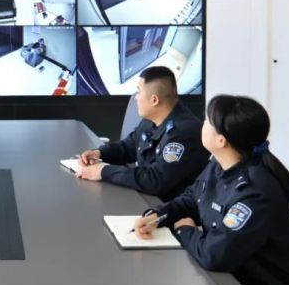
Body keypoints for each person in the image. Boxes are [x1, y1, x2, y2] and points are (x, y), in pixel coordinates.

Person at [133, 95, 289, 285]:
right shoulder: (219, 164)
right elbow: (192, 199)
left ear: (221, 140)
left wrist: (184, 230)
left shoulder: (255, 193)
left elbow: (214, 255)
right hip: (228, 280)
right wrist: (158, 216)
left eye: (208, 121)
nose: (202, 123)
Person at [77, 66, 210, 201]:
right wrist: (100, 153)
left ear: (154, 100)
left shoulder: (184, 133)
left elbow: (155, 180)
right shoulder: (152, 120)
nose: (136, 97)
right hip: (144, 197)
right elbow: (127, 148)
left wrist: (103, 171)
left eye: (139, 92)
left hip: (165, 207)